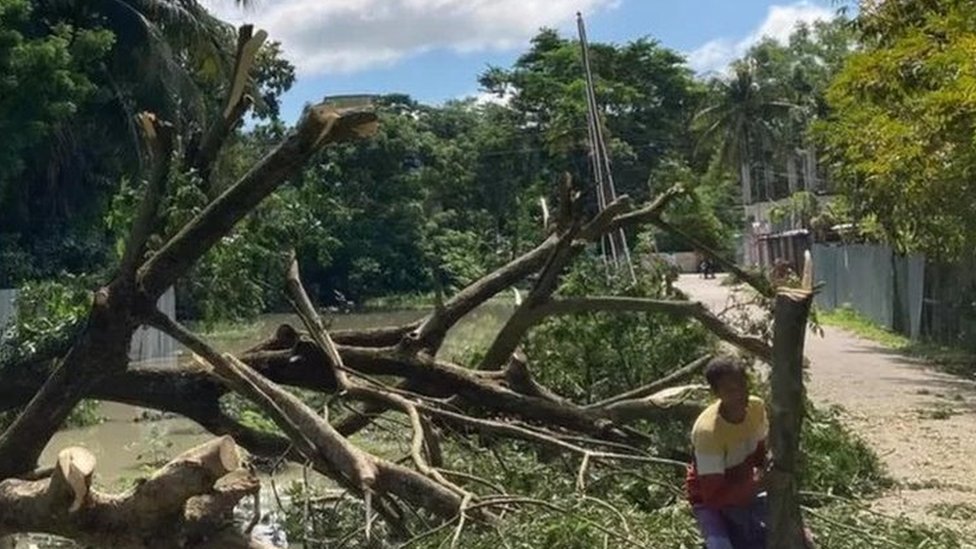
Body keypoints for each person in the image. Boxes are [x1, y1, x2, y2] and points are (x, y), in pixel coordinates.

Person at [686, 358, 768, 549]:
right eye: (730, 390)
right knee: (721, 546)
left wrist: (769, 469)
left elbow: (761, 454)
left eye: (742, 386)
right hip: (709, 500)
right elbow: (714, 496)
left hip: (745, 485)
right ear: (717, 393)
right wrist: (758, 484)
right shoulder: (708, 432)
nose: (739, 394)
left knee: (797, 535)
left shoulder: (756, 408)